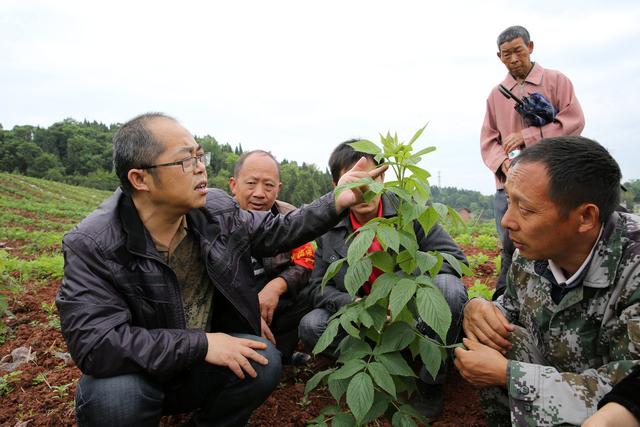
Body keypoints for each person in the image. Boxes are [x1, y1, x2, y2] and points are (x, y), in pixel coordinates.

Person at [55, 113, 387, 427]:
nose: (200, 169)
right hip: (143, 373)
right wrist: (202, 344)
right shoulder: (93, 243)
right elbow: (98, 344)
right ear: (140, 178)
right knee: (116, 396)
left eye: (201, 157)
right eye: (186, 160)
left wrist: (336, 200)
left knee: (263, 360)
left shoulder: (214, 210)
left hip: (197, 367)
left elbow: (280, 229)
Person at [455, 136, 640, 426]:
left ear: (585, 217)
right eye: (509, 202)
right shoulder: (532, 249)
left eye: (525, 209)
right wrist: (478, 308)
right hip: (552, 380)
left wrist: (509, 375)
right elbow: (511, 308)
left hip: (608, 411)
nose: (506, 221)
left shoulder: (634, 267)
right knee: (495, 337)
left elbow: (628, 394)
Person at [298, 141, 469, 419]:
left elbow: (453, 258)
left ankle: (430, 380)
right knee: (312, 325)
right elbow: (318, 287)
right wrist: (355, 303)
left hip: (411, 318)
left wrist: (402, 292)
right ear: (337, 185)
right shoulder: (327, 228)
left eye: (374, 177)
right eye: (356, 180)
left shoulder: (408, 211)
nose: (366, 189)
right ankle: (372, 364)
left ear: (384, 176)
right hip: (363, 319)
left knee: (447, 287)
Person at [480, 25, 585, 298]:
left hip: (553, 180)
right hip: (511, 186)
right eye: (506, 54)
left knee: (553, 244)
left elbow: (574, 122)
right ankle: (508, 302)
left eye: (518, 51)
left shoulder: (556, 81)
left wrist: (529, 136)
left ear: (531, 47)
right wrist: (502, 162)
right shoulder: (497, 94)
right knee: (510, 245)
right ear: (499, 57)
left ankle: (557, 298)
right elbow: (488, 140)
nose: (513, 59)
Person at [229, 150, 314, 365]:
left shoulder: (289, 217)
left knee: (312, 289)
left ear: (279, 188)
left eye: (268, 185)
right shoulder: (214, 217)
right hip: (230, 309)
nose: (260, 193)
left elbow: (307, 259)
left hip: (271, 302)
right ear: (233, 184)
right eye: (251, 183)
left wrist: (277, 286)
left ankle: (281, 353)